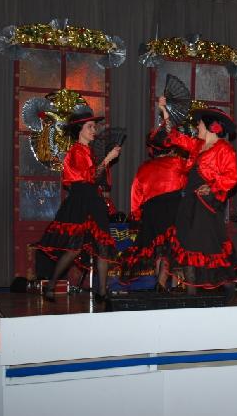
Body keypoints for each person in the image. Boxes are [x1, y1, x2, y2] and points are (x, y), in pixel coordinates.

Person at [35, 110, 121, 303]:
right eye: (90, 127)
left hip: (95, 201)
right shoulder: (75, 151)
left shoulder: (92, 152)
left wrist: (106, 165)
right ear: (79, 130)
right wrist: (108, 159)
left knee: (102, 247)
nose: (94, 130)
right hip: (80, 200)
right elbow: (89, 177)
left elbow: (100, 179)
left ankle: (102, 292)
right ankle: (51, 285)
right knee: (73, 248)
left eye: (94, 127)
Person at [158, 97, 237, 290]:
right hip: (188, 202)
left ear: (211, 126)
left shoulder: (224, 149)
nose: (197, 127)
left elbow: (232, 177)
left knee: (207, 246)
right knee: (186, 246)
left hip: (206, 204)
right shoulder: (197, 145)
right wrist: (165, 112)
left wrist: (212, 187)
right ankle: (191, 296)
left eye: (200, 123)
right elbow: (175, 136)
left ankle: (225, 291)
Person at [122, 125, 189, 289]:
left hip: (151, 211)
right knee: (171, 248)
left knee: (159, 247)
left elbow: (136, 193)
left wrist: (136, 215)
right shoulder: (178, 163)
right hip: (173, 208)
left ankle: (163, 284)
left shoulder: (144, 167)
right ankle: (165, 284)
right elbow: (190, 181)